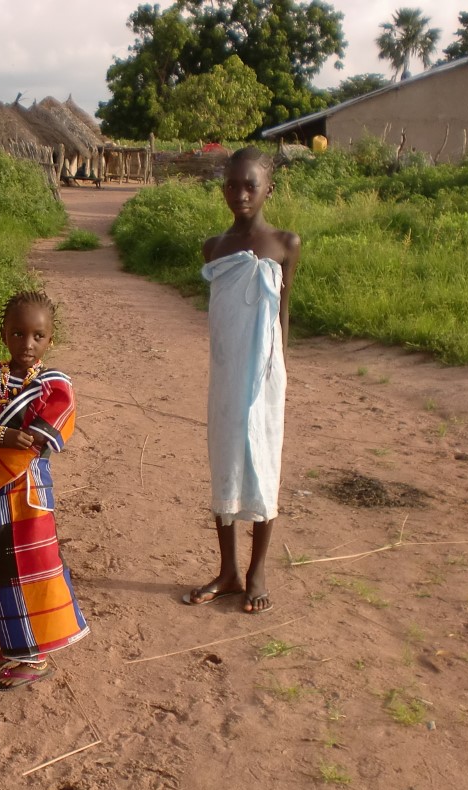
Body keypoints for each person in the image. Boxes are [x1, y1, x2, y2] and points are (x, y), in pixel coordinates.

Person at [0, 290, 89, 690]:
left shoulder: (54, 386)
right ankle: (14, 646)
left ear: (50, 340)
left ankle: (37, 656)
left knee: (34, 570)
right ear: (4, 334)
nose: (27, 344)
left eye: (38, 336)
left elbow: (33, 442)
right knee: (2, 573)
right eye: (18, 334)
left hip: (27, 492)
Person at [183, 147, 301, 614]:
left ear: (268, 188)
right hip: (228, 373)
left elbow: (283, 313)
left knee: (265, 464)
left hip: (267, 376)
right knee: (226, 462)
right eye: (232, 185)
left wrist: (280, 373)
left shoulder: (285, 244)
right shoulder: (214, 247)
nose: (240, 193)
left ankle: (257, 572)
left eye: (250, 184)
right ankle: (228, 570)